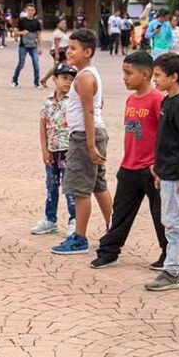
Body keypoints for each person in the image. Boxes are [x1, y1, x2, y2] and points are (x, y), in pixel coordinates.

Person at [90, 52, 167, 269]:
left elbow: (164, 135)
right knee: (120, 212)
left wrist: (159, 165)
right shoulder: (131, 99)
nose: (124, 77)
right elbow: (133, 132)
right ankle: (109, 251)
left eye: (128, 73)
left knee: (160, 215)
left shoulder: (158, 100)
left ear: (145, 75)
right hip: (129, 167)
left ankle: (168, 254)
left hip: (151, 169)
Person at [51, 29, 113, 255]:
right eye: (69, 47)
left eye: (74, 48)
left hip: (85, 135)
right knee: (98, 184)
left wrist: (89, 144)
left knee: (80, 189)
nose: (69, 51)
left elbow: (88, 111)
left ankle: (79, 238)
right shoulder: (89, 74)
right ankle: (113, 228)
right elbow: (99, 103)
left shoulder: (85, 77)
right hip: (95, 131)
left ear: (88, 52)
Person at [145, 53, 179, 291]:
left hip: (175, 172)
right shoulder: (168, 100)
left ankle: (172, 271)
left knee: (172, 222)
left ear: (174, 76)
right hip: (166, 169)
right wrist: (157, 167)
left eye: (158, 75)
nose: (154, 80)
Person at [31, 63, 77, 236]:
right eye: (64, 78)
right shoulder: (48, 102)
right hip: (52, 150)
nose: (68, 83)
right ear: (54, 79)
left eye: (72, 80)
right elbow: (43, 126)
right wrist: (44, 150)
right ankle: (50, 219)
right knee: (51, 185)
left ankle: (74, 220)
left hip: (69, 150)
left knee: (70, 187)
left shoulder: (74, 101)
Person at [11, 4, 43, 88]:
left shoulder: (37, 22)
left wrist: (40, 47)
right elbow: (16, 33)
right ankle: (14, 80)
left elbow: (39, 35)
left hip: (33, 46)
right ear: (26, 11)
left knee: (36, 64)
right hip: (23, 46)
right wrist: (22, 33)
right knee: (21, 64)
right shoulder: (22, 21)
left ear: (34, 11)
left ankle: (36, 82)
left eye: (32, 10)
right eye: (29, 10)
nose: (30, 12)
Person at [39, 18, 70, 87]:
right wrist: (57, 54)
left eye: (65, 23)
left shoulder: (62, 32)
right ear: (58, 24)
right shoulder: (58, 33)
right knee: (64, 66)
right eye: (62, 23)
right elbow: (56, 44)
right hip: (60, 51)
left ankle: (44, 79)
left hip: (62, 51)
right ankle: (60, 80)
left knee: (56, 67)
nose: (64, 25)